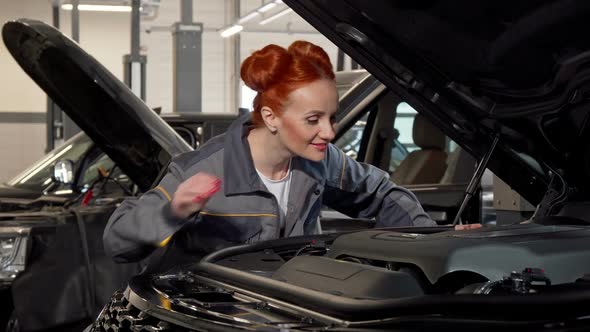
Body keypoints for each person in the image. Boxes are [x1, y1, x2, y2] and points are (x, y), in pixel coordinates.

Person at [103, 40, 441, 269]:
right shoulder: (200, 171)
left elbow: (382, 195)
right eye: (313, 120)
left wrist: (432, 246)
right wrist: (171, 212)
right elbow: (117, 244)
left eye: (332, 117)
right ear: (271, 117)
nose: (330, 132)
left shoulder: (319, 161)